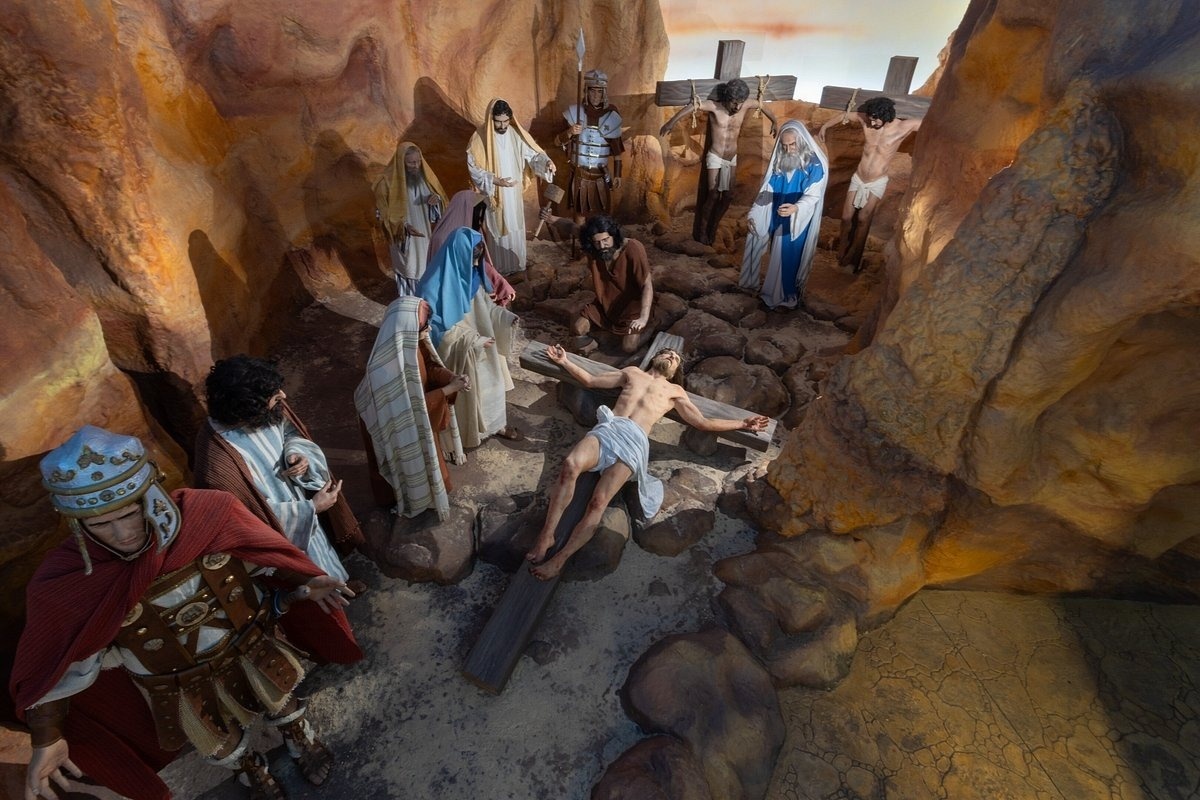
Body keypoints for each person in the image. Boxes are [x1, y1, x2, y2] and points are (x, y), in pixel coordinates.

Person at [11, 425, 361, 800]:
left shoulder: (207, 516)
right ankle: (251, 769)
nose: (122, 533)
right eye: (100, 524)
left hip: (250, 644)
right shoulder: (67, 581)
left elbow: (265, 560)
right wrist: (47, 734)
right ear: (77, 525)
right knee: (217, 740)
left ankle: (299, 738)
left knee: (282, 700)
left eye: (130, 514)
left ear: (151, 496)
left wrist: (301, 584)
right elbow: (60, 664)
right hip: (175, 681)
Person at [526, 346, 769, 580]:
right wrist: (564, 361)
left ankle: (559, 560)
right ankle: (547, 536)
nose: (671, 356)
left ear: (675, 371)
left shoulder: (675, 391)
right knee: (570, 465)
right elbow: (590, 380)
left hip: (634, 442)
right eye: (667, 352)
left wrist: (743, 424)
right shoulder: (632, 373)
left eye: (674, 357)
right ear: (655, 358)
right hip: (611, 429)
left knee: (598, 502)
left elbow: (702, 423)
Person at [194, 355, 363, 587]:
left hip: (301, 510)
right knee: (301, 580)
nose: (282, 396)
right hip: (284, 527)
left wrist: (296, 454)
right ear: (246, 406)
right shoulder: (218, 463)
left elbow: (290, 434)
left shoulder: (265, 411)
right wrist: (311, 508)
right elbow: (245, 518)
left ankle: (340, 584)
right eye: (274, 395)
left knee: (320, 550)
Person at [356, 295, 469, 520]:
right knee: (404, 465)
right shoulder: (384, 373)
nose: (428, 329)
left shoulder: (411, 342)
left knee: (429, 454)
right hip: (399, 429)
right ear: (408, 327)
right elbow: (407, 412)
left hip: (419, 417)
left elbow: (429, 366)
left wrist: (450, 378)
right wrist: (447, 390)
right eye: (424, 324)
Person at [417, 226, 521, 448]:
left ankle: (497, 425)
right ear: (458, 254)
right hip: (462, 351)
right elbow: (432, 331)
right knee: (470, 392)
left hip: (485, 343)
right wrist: (471, 340)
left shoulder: (474, 276)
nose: (477, 263)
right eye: (473, 256)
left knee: (493, 386)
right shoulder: (430, 287)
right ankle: (469, 435)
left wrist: (505, 318)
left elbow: (487, 309)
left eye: (479, 256)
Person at [659, 78, 778, 245]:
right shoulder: (715, 107)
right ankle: (701, 231)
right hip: (715, 157)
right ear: (727, 99)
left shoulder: (745, 105)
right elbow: (693, 106)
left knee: (728, 196)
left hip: (732, 158)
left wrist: (775, 121)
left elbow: (761, 104)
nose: (737, 107)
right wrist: (671, 122)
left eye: (740, 103)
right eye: (734, 103)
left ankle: (713, 227)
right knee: (713, 194)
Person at [817, 96, 921, 271]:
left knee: (864, 218)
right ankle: (842, 249)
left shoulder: (903, 127)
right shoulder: (867, 120)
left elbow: (929, 122)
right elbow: (846, 115)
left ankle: (853, 257)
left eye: (875, 120)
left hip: (877, 181)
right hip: (858, 177)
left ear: (886, 115)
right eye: (870, 119)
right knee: (846, 218)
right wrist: (825, 126)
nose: (871, 123)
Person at [740, 120, 829, 309]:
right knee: (776, 255)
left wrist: (796, 208)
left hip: (798, 219)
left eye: (792, 144)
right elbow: (768, 189)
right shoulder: (781, 161)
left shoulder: (814, 165)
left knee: (788, 256)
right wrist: (754, 212)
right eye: (784, 145)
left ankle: (788, 298)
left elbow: (814, 194)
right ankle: (771, 294)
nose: (788, 149)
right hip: (779, 214)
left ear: (802, 142)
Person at [466, 98, 556, 275]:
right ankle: (497, 271)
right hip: (494, 194)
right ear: (491, 119)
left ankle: (517, 265)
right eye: (498, 122)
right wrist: (495, 180)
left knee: (515, 226)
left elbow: (533, 155)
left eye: (505, 121)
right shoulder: (479, 138)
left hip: (513, 194)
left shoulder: (515, 135)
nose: (502, 126)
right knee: (496, 231)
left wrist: (547, 163)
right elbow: (473, 167)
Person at [374, 141, 449, 295]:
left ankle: (428, 303)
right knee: (409, 267)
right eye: (411, 163)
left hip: (424, 235)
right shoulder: (385, 184)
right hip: (404, 238)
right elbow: (381, 214)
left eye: (418, 161)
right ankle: (411, 307)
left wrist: (435, 200)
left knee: (426, 266)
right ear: (401, 163)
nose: (416, 166)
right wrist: (404, 226)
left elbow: (440, 199)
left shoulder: (424, 178)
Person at [573, 215, 654, 354]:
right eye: (597, 242)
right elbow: (572, 227)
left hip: (632, 307)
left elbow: (647, 285)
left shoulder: (633, 248)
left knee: (629, 348)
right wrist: (551, 218)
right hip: (606, 304)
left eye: (606, 240)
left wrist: (643, 318)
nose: (602, 246)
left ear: (614, 235)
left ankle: (651, 328)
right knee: (578, 327)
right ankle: (599, 342)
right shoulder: (594, 249)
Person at [554, 69, 624, 223]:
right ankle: (581, 243)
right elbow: (557, 142)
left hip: (600, 174)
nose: (596, 96)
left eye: (599, 92)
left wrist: (618, 174)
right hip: (579, 172)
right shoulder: (574, 113)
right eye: (592, 92)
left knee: (602, 213)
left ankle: (598, 245)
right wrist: (570, 132)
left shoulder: (611, 116)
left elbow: (617, 151)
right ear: (586, 91)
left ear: (604, 93)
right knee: (579, 212)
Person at [428, 190, 516, 306]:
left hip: (473, 289)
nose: (480, 217)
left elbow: (481, 264)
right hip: (453, 296)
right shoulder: (441, 238)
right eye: (477, 211)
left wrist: (502, 285)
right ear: (466, 210)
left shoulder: (473, 232)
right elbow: (444, 276)